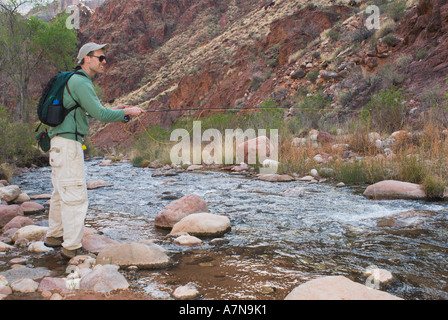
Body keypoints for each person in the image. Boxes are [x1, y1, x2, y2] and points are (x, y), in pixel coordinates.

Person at [44, 42, 144, 258]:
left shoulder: (73, 80)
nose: (104, 61)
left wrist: (116, 110)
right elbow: (101, 115)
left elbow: (87, 113)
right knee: (76, 196)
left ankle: (54, 236)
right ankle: (71, 248)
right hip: (69, 146)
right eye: (100, 57)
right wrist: (128, 111)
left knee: (61, 193)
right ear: (86, 59)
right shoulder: (81, 82)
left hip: (59, 145)